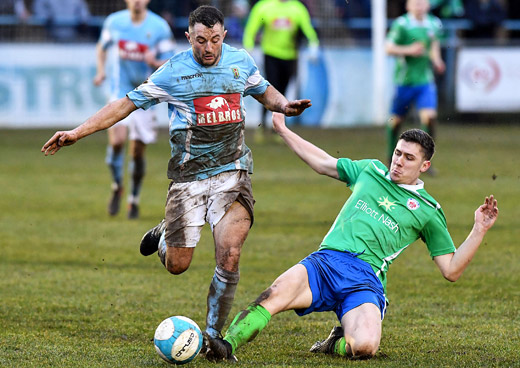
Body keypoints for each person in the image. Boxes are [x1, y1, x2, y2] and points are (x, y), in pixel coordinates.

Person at [42, 5, 311, 350]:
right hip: (189, 179)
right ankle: (165, 233)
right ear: (188, 37)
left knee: (230, 255)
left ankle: (215, 337)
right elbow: (125, 104)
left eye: (215, 39)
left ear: (224, 36)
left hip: (233, 173)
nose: (209, 48)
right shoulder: (173, 72)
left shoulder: (240, 61)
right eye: (201, 40)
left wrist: (283, 105)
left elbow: (263, 89)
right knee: (177, 265)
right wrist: (77, 132)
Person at [202, 112, 499, 362]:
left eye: (409, 158)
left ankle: (336, 343)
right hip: (325, 263)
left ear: (424, 166)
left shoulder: (428, 210)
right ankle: (225, 346)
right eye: (397, 153)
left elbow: (451, 270)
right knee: (272, 296)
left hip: (364, 280)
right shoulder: (370, 170)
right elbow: (323, 162)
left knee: (365, 347)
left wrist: (479, 229)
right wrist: (282, 130)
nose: (398, 162)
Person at [93, 0, 176, 219]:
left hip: (146, 92)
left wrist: (155, 61)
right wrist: (101, 71)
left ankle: (134, 199)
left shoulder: (159, 27)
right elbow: (101, 47)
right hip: (119, 89)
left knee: (137, 152)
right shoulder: (114, 22)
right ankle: (117, 185)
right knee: (117, 141)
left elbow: (171, 62)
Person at [242, 0, 319, 142]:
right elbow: (251, 28)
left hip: (290, 56)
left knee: (283, 91)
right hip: (271, 55)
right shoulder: (264, 6)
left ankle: (277, 128)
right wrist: (249, 47)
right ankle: (262, 125)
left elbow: (308, 29)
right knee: (269, 89)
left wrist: (313, 45)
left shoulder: (297, 8)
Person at [385, 0, 445, 173]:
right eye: (416, 2)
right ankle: (391, 155)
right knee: (395, 122)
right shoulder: (402, 24)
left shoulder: (433, 23)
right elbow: (388, 48)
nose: (419, 5)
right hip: (404, 81)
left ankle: (424, 161)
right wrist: (409, 50)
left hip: (424, 81)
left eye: (422, 2)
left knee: (430, 118)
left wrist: (437, 60)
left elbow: (433, 45)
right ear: (408, 6)